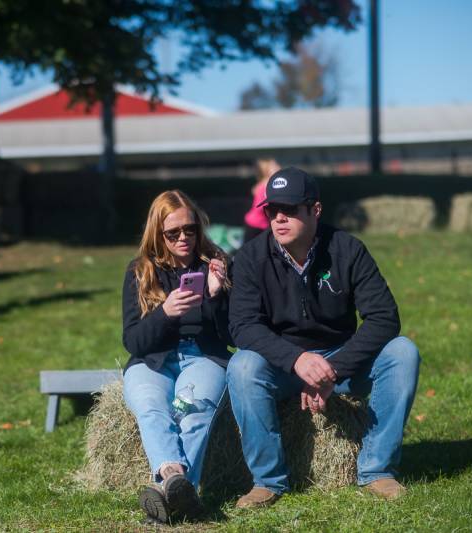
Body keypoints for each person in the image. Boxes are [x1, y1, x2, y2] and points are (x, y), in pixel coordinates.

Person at [227, 167, 420, 507]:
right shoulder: (250, 258)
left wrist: (334, 369)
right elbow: (243, 326)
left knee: (402, 352)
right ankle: (267, 481)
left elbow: (384, 317)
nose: (279, 218)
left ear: (315, 210)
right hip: (282, 365)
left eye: (290, 209)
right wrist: (296, 360)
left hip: (342, 358)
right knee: (243, 366)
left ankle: (377, 471)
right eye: (272, 211)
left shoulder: (348, 249)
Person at [122, 190, 231, 524]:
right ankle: (175, 481)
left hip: (203, 359)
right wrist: (165, 313)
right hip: (152, 361)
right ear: (158, 234)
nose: (184, 238)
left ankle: (166, 491)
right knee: (152, 408)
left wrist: (215, 294)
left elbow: (232, 337)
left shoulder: (216, 265)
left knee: (192, 413)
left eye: (190, 229)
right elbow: (133, 341)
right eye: (173, 233)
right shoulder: (141, 271)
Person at [243, 158, 281, 243]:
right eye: (274, 166)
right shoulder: (265, 185)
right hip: (255, 225)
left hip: (262, 225)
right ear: (266, 170)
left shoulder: (269, 184)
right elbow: (260, 206)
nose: (278, 167)